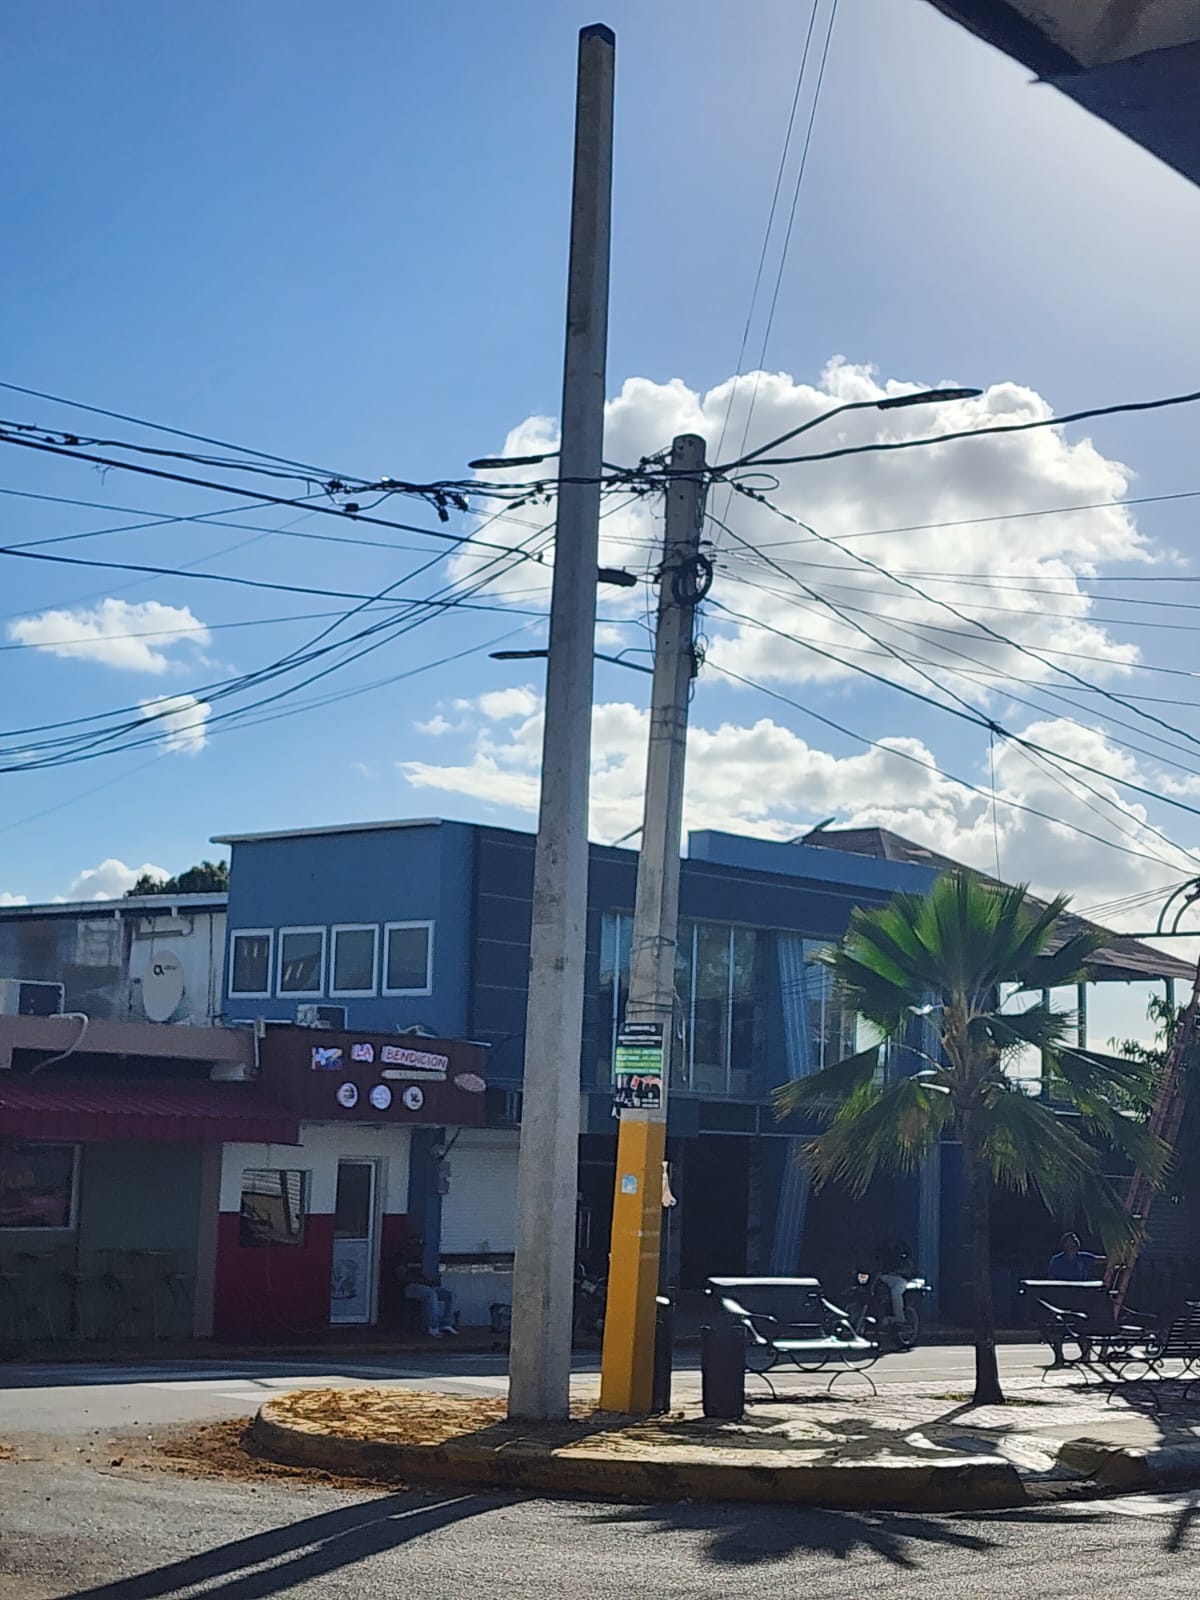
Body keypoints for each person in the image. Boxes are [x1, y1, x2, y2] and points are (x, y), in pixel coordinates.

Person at [1045, 1232, 1105, 1368]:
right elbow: (1052, 1279)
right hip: (1063, 1298)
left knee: (1082, 1327)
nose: (1073, 1242)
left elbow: (1100, 1260)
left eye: (1075, 1239)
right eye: (1069, 1240)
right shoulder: (1057, 1260)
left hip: (1081, 1298)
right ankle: (1059, 1357)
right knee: (1058, 1328)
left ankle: (1085, 1355)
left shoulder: (1083, 1257)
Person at [403, 1268, 457, 1339]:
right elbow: (402, 1277)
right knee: (431, 1294)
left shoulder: (428, 1259)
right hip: (410, 1286)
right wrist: (422, 1280)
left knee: (449, 1294)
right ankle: (433, 1327)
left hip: (428, 1286)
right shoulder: (404, 1260)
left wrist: (432, 1279)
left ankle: (445, 1323)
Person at [876, 1238, 914, 1323]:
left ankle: (899, 1317)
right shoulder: (882, 1254)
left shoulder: (903, 1254)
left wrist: (898, 1272)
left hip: (901, 1279)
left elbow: (908, 1268)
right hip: (885, 1277)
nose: (891, 1244)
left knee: (896, 1291)